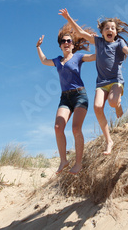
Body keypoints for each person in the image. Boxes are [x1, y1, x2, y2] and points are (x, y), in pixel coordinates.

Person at [59, 8, 128, 154]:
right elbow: (81, 33)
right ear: (102, 32)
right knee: (97, 108)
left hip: (116, 80)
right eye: (107, 28)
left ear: (116, 32)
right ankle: (109, 140)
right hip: (101, 83)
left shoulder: (119, 43)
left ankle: (118, 105)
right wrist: (68, 17)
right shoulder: (99, 42)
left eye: (113, 28)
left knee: (113, 102)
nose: (110, 30)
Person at [36, 23, 95, 175]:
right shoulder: (57, 60)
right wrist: (38, 47)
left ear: (73, 44)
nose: (66, 43)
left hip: (79, 95)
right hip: (65, 98)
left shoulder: (78, 57)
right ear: (60, 45)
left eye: (69, 41)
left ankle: (79, 163)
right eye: (64, 41)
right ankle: (63, 160)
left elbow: (95, 57)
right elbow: (43, 60)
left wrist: (101, 44)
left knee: (76, 128)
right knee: (57, 128)